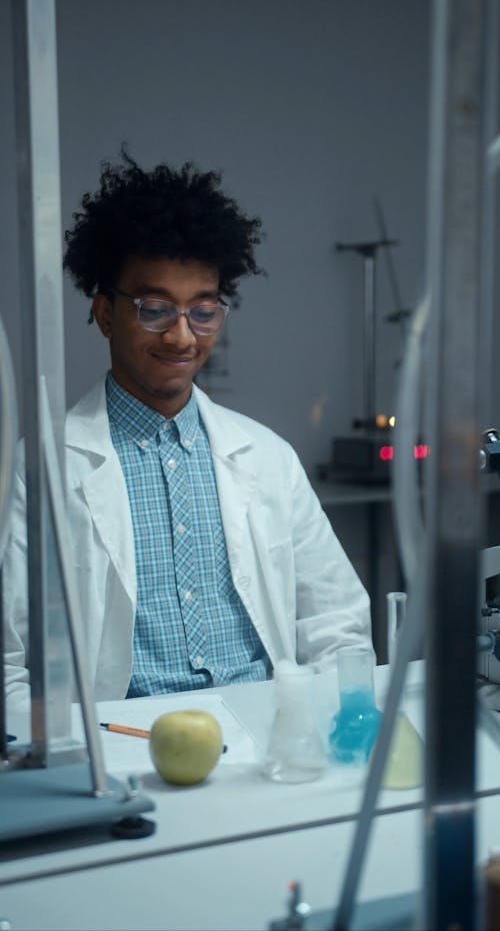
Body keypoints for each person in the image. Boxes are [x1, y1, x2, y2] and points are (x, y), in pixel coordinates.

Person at [3, 150, 372, 709]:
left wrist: (316, 731)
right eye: (155, 308)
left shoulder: (268, 456)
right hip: (121, 742)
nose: (182, 337)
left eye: (203, 311)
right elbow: (7, 659)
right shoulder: (46, 465)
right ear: (105, 313)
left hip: (266, 727)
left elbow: (337, 624)